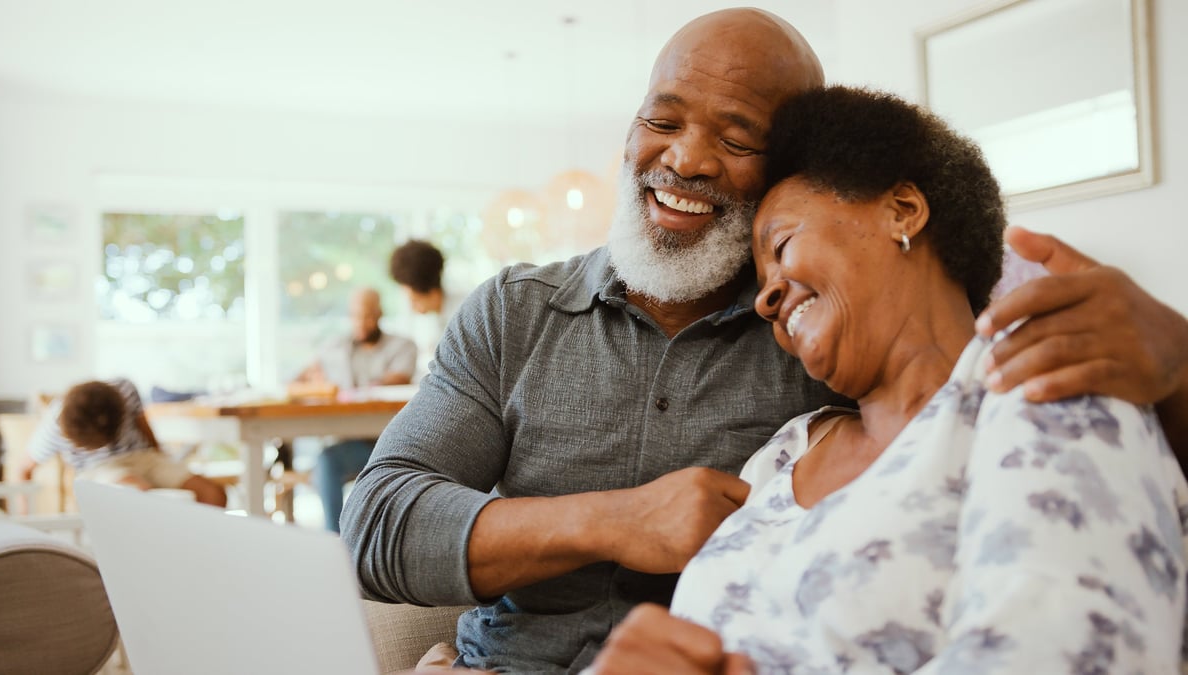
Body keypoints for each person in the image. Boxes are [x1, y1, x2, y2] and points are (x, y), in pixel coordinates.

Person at [343, 9, 1188, 672]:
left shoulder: (832, 325)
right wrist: (617, 520)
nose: (686, 157)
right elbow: (378, 525)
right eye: (661, 118)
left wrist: (1180, 365)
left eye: (737, 137)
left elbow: (983, 322)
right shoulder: (515, 312)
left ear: (782, 168)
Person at [590, 86, 1188, 674]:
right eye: (760, 280)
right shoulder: (784, 453)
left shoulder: (1035, 373)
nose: (767, 299)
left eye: (782, 245)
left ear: (902, 211)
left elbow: (1067, 653)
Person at [300, 287, 418, 533]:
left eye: (366, 316)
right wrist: (315, 380)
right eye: (354, 316)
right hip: (351, 443)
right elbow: (301, 377)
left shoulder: (402, 346)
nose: (360, 323)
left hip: (390, 444)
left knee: (326, 464)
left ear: (379, 313)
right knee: (326, 461)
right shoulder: (337, 347)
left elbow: (398, 379)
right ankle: (335, 543)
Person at [23, 378, 227, 506]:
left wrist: (163, 459)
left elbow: (146, 430)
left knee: (212, 493)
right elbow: (24, 469)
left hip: (146, 457)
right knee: (138, 496)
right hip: (99, 468)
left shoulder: (125, 390)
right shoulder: (55, 423)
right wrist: (23, 518)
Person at [388, 239, 465, 378]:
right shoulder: (437, 319)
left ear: (430, 291)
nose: (412, 307)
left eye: (414, 300)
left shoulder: (463, 313)